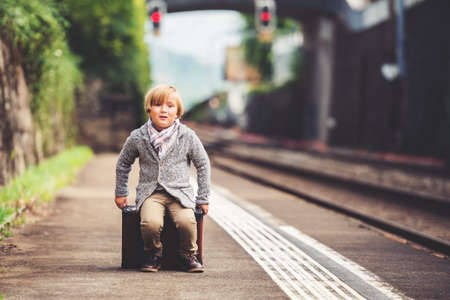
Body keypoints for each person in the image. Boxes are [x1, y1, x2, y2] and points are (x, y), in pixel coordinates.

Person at [114, 84, 210, 273]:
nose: (164, 110)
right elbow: (123, 163)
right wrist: (121, 192)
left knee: (187, 222)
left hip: (180, 194)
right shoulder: (138, 137)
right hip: (151, 194)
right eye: (157, 105)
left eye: (170, 106)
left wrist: (203, 197)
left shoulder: (187, 136)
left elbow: (203, 164)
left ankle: (188, 254)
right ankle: (153, 254)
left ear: (178, 112)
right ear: (149, 109)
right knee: (150, 223)